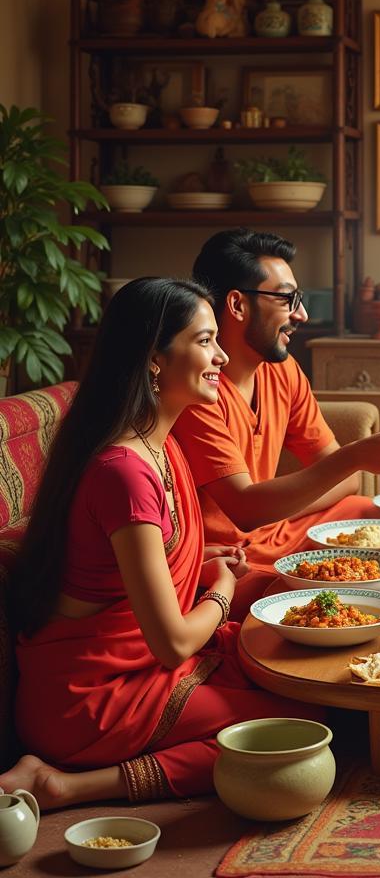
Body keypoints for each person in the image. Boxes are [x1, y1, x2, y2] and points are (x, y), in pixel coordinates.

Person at [0, 278, 323, 809]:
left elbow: (126, 570)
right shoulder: (123, 470)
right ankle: (65, 785)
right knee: (301, 723)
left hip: (136, 671)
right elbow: (172, 643)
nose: (221, 354)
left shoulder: (162, 443)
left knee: (296, 670)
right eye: (204, 341)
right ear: (154, 359)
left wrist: (196, 561)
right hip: (91, 698)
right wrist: (219, 592)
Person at [172, 229, 380, 611]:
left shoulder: (282, 369)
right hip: (223, 557)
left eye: (299, 300)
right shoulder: (198, 385)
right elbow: (246, 509)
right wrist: (355, 456)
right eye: (287, 299)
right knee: (288, 593)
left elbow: (346, 481)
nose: (301, 315)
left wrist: (280, 508)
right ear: (238, 305)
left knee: (368, 511)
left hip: (273, 530)